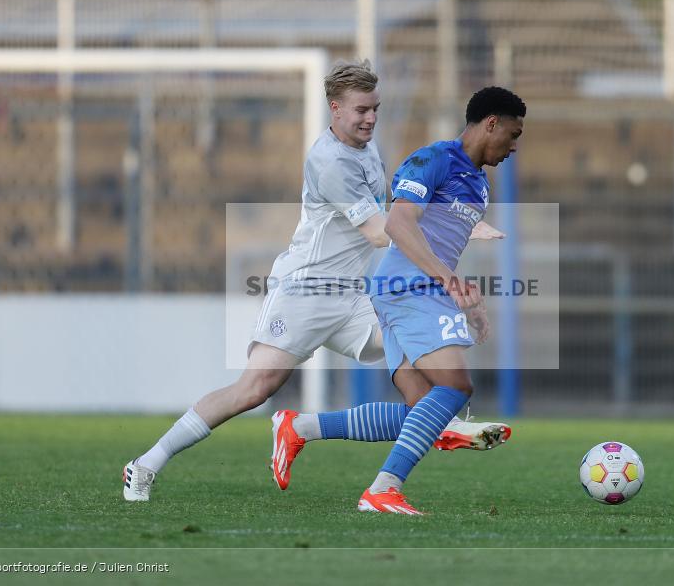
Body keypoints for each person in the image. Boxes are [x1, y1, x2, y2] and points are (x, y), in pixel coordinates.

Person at [123, 61, 510, 502]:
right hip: (305, 291)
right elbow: (380, 232)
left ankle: (316, 430)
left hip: (355, 297)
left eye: (375, 109)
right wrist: (456, 225)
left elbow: (396, 215)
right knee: (253, 389)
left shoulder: (366, 147)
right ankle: (145, 463)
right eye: (361, 110)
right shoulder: (330, 162)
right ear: (335, 109)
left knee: (427, 389)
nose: (370, 118)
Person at [354, 86, 526, 515]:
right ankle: (382, 490)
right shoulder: (433, 159)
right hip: (409, 288)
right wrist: (446, 281)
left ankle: (299, 427)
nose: (514, 146)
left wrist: (471, 303)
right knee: (456, 386)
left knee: (422, 409)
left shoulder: (479, 186)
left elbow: (444, 246)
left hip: (418, 290)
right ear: (491, 123)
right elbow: (398, 222)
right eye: (513, 134)